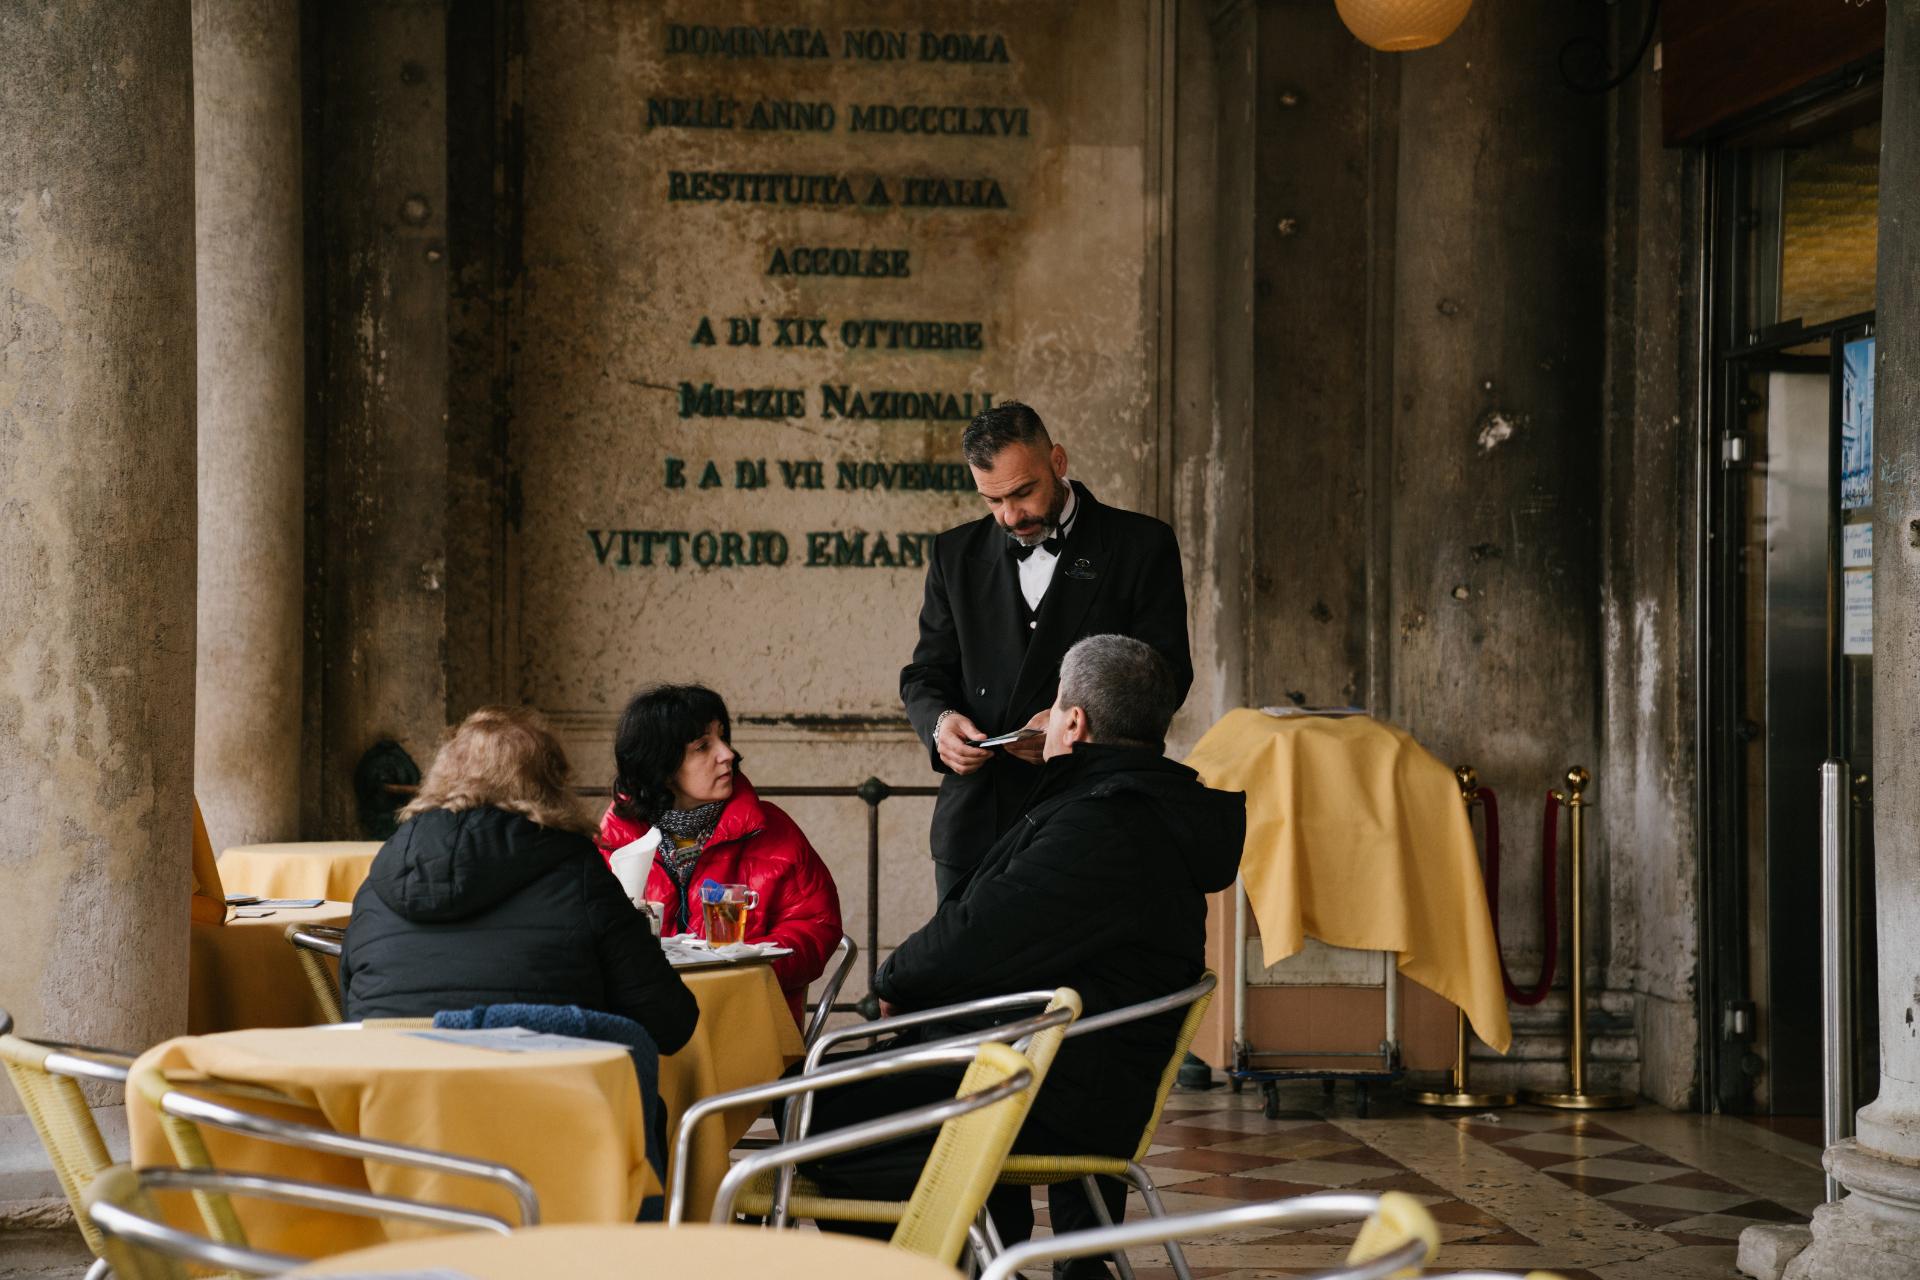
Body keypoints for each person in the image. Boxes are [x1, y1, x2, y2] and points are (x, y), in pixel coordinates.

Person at [803, 635, 1245, 1273]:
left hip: (1056, 1087)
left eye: (1056, 705)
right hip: (1065, 1065)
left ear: (1074, 720)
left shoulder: (1104, 825)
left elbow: (973, 934)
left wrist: (894, 978)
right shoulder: (1129, 805)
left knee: (814, 1106)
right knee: (825, 1094)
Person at [901, 401, 1194, 898]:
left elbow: (1166, 676)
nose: (1010, 516)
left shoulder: (1142, 545)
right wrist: (940, 724)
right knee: (971, 975)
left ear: (1058, 462)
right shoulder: (955, 553)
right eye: (992, 500)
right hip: (976, 825)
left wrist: (1073, 724)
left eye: (1023, 492)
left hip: (1093, 816)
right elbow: (926, 672)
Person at [340, 705, 698, 1054]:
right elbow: (671, 1023)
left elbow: (353, 1007)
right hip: (547, 1108)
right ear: (552, 785)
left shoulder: (377, 884)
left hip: (398, 1106)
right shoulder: (579, 874)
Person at [597, 683, 843, 1025]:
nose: (727, 753)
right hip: (643, 1023)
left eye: (723, 737)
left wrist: (746, 965)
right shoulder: (614, 839)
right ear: (660, 764)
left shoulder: (771, 828)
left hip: (745, 1021)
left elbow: (816, 926)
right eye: (702, 746)